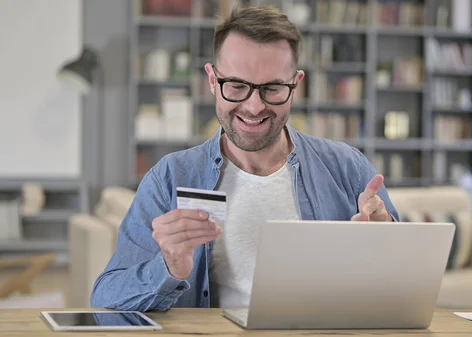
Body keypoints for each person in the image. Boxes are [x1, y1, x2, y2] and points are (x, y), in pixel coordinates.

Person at [90, 4, 399, 312]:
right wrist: (167, 268)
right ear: (212, 80)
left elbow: (402, 286)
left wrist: (384, 248)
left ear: (296, 86)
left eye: (273, 88)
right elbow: (107, 297)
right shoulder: (171, 177)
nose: (253, 107)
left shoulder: (348, 168)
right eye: (236, 86)